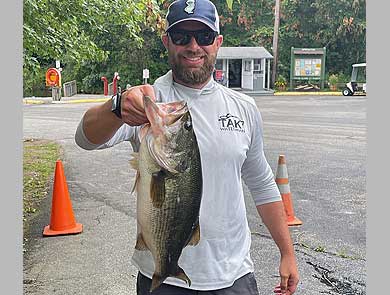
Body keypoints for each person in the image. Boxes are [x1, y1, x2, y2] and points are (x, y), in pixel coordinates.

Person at [74, 0, 299, 294]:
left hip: (233, 275)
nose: (193, 46)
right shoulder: (147, 102)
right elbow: (85, 139)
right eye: (182, 37)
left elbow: (262, 183)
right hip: (161, 277)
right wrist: (115, 107)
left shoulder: (244, 108)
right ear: (167, 41)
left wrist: (287, 252)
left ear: (217, 43)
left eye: (203, 37)